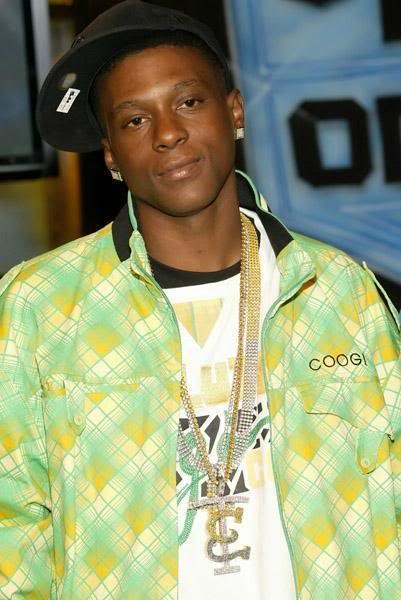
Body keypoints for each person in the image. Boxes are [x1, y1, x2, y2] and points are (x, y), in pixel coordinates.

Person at [0, 1, 400, 598]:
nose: (168, 134)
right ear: (109, 153)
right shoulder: (41, 307)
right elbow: (11, 527)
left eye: (188, 102)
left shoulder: (337, 291)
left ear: (234, 111)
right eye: (135, 120)